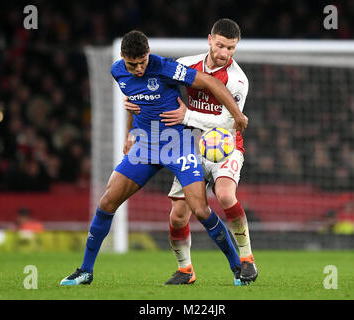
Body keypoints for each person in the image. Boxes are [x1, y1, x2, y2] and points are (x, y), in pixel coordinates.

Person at [60, 30, 248, 286]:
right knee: (106, 202)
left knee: (201, 210)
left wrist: (237, 114)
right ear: (122, 59)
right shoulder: (118, 71)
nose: (138, 69)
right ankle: (85, 271)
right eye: (132, 64)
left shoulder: (164, 67)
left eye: (142, 62)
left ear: (148, 54)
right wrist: (129, 133)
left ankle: (238, 267)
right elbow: (135, 101)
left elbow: (211, 83)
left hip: (177, 144)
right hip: (145, 145)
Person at [124, 19, 258, 285]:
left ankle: (247, 259)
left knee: (224, 194)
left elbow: (230, 122)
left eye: (231, 48)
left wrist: (188, 115)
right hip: (191, 146)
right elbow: (157, 84)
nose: (224, 53)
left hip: (226, 146)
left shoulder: (238, 81)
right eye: (220, 45)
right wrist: (135, 99)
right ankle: (185, 270)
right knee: (177, 215)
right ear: (210, 39)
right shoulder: (186, 64)